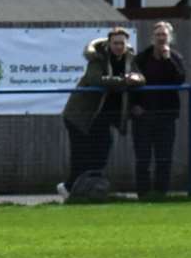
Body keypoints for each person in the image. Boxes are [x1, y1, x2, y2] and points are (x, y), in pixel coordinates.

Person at [60, 29, 142, 197]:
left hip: (101, 118)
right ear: (109, 44)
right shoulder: (98, 59)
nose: (119, 46)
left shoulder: (129, 60)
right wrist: (124, 81)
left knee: (102, 151)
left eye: (122, 43)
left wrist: (137, 79)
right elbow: (95, 80)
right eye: (115, 43)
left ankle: (88, 190)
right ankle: (68, 188)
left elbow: (140, 76)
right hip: (80, 115)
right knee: (81, 155)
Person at [130, 21, 184, 201]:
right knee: (143, 158)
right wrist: (134, 105)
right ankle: (143, 194)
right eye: (158, 35)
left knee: (164, 158)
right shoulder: (141, 58)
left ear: (170, 38)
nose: (161, 38)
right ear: (153, 37)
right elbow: (132, 84)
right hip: (143, 116)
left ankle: (161, 193)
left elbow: (178, 80)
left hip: (166, 116)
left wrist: (168, 59)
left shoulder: (176, 58)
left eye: (164, 35)